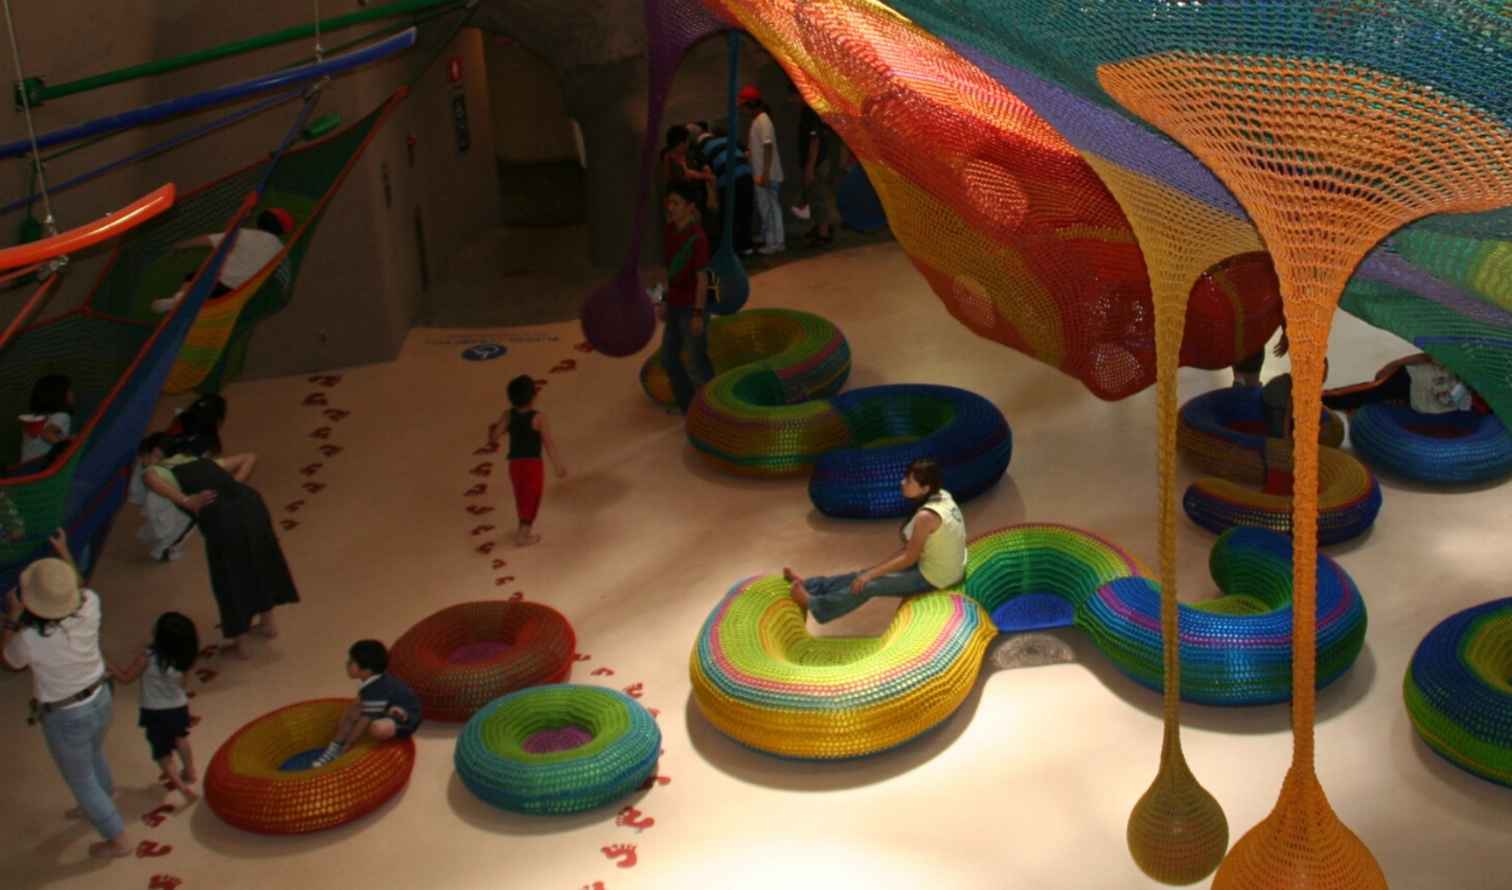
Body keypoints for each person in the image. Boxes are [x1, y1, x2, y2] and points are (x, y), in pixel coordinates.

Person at [2, 529, 132, 859]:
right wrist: (66, 555)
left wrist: (11, 621)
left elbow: (8, 660)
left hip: (65, 715)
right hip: (100, 697)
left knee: (80, 778)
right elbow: (79, 589)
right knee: (92, 753)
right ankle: (106, 794)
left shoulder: (29, 638)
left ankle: (116, 837)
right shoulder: (90, 606)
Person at [140, 437, 298, 658]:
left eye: (143, 459)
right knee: (262, 560)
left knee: (228, 576)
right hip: (251, 505)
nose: (143, 464)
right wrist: (234, 485)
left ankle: (241, 643)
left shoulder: (160, 469)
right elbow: (249, 457)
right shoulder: (198, 461)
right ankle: (268, 623)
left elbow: (149, 478)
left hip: (224, 521)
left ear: (154, 453)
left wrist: (186, 501)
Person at [785, 459, 967, 624]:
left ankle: (815, 604)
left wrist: (871, 575)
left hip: (937, 578)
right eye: (906, 477)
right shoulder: (942, 494)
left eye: (909, 481)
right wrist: (870, 572)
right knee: (862, 574)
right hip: (937, 564)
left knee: (868, 585)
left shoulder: (926, 516)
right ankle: (812, 585)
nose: (902, 482)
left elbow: (909, 557)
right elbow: (910, 551)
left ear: (925, 489)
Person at [108, 612, 200, 803]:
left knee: (161, 752)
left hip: (154, 712)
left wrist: (108, 666)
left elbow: (125, 678)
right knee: (180, 737)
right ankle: (190, 771)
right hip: (178, 707)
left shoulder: (147, 657)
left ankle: (182, 788)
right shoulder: (186, 658)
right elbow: (183, 684)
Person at [150, 208, 294, 315]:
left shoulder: (245, 234)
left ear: (260, 221)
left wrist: (179, 246)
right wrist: (284, 294)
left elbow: (206, 240)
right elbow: (283, 274)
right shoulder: (281, 250)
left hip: (216, 279)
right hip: (237, 292)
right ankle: (182, 304)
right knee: (204, 302)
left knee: (193, 277)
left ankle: (178, 300)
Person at [653, 182, 717, 414]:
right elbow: (666, 270)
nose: (670, 207)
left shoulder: (697, 238)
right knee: (670, 358)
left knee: (697, 362)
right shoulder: (670, 231)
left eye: (675, 203)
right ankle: (690, 408)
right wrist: (661, 300)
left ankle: (718, 409)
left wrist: (699, 314)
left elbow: (702, 279)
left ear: (690, 207)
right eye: (668, 203)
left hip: (692, 308)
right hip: (675, 306)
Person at [310, 639, 423, 769]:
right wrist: (345, 722)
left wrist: (349, 744)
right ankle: (334, 749)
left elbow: (363, 722)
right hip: (388, 707)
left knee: (377, 728)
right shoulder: (372, 680)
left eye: (352, 662)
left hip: (407, 718)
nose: (347, 664)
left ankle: (340, 749)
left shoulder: (377, 690)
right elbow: (358, 703)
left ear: (367, 670)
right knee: (353, 711)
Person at [487, 375, 567, 546]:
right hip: (532, 465)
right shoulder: (538, 418)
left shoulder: (508, 415)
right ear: (533, 397)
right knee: (532, 498)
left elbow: (494, 437)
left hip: (515, 465)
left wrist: (492, 430)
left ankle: (522, 529)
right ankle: (523, 536)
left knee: (521, 496)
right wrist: (558, 466)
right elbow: (548, 444)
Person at [1324, 354, 1486, 416]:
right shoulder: (1466, 359)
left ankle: (1332, 402)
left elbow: (1466, 405)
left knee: (1371, 394)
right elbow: (1428, 357)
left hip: (1417, 399)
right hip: (1411, 379)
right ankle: (1321, 400)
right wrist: (1395, 364)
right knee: (1368, 393)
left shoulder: (1481, 402)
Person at [687, 120, 755, 254]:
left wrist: (712, 195)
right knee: (745, 211)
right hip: (746, 175)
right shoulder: (727, 139)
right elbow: (747, 153)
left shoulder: (700, 148)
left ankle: (731, 249)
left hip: (727, 179)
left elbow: (707, 171)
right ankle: (746, 246)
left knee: (729, 214)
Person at [129, 434, 195, 562]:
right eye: (153, 455)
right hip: (165, 503)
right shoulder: (149, 473)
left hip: (161, 501)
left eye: (159, 458)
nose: (153, 461)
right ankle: (164, 552)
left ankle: (151, 536)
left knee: (161, 524)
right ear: (145, 452)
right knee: (179, 526)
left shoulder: (150, 468)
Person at [789, 86, 841, 247]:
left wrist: (810, 166)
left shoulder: (810, 113)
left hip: (817, 163)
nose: (791, 101)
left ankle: (823, 234)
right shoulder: (813, 111)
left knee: (819, 197)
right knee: (816, 196)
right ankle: (821, 228)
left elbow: (815, 140)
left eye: (792, 96)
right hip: (819, 162)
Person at [739, 85, 785, 255]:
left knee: (772, 208)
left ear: (750, 104)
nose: (742, 110)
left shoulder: (763, 120)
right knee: (765, 207)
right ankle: (769, 237)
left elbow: (768, 146)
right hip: (761, 174)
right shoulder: (758, 121)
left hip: (768, 174)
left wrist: (765, 173)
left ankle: (776, 243)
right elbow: (760, 147)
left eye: (743, 106)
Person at [19, 373, 74, 465]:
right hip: (42, 468)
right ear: (60, 396)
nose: (72, 393)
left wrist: (68, 439)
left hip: (25, 468)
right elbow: (47, 434)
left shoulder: (33, 419)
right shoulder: (62, 416)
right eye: (69, 390)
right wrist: (68, 448)